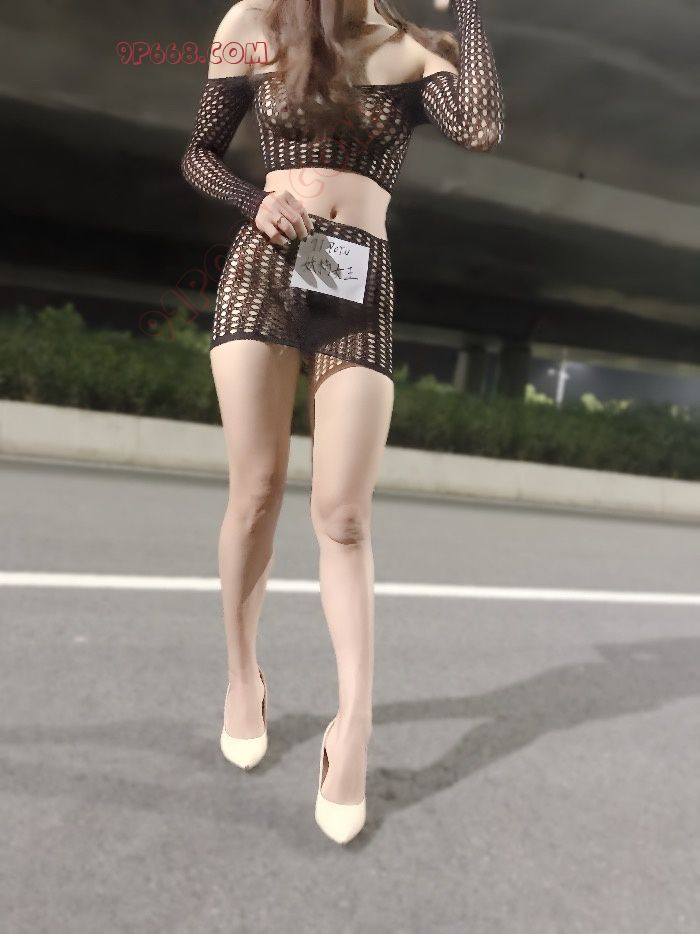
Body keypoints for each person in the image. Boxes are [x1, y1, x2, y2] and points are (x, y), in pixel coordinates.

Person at [180, 0, 504, 844]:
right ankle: (243, 677)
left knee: (345, 517)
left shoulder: (413, 50)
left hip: (351, 274)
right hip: (264, 264)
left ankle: (352, 726)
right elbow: (199, 153)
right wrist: (251, 200)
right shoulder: (253, 22)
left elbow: (479, 130)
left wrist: (467, 7)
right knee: (255, 492)